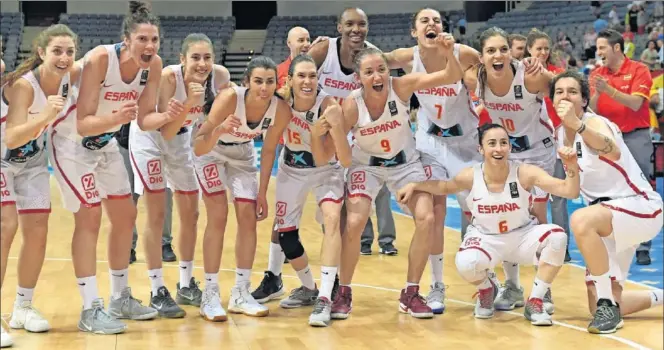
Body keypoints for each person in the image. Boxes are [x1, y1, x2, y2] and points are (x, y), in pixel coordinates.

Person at [49, 1, 162, 333]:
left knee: (126, 216)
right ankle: (90, 308)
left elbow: (145, 119)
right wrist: (114, 118)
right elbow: (83, 123)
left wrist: (175, 114)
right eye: (143, 39)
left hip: (106, 144)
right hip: (72, 144)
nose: (150, 46)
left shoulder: (152, 66)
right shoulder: (101, 59)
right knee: (90, 216)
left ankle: (119, 297)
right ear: (127, 39)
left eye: (155, 40)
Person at [332, 38, 463, 320]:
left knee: (427, 218)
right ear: (359, 78)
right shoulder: (352, 105)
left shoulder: (401, 87)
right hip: (365, 166)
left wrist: (448, 53)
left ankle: (411, 292)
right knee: (354, 222)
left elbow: (451, 75)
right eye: (369, 72)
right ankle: (343, 290)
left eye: (381, 68)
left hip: (405, 164)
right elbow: (340, 148)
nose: (377, 76)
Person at [397, 123, 579, 326]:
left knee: (558, 237)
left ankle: (535, 300)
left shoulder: (525, 173)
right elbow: (444, 186)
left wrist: (571, 167)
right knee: (465, 263)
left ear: (510, 147)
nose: (498, 148)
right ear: (481, 149)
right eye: (491, 143)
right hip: (487, 239)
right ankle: (486, 289)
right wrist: (414, 185)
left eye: (503, 143)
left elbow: (569, 191)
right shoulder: (471, 175)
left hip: (522, 236)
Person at [383, 7, 482, 314]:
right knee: (436, 212)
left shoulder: (463, 52)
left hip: (465, 141)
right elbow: (370, 58)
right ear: (415, 32)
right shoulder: (406, 56)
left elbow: (489, 64)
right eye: (424, 20)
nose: (431, 24)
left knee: (477, 209)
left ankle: (486, 280)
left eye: (436, 20)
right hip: (430, 142)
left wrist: (473, 79)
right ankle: (437, 285)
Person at [551, 70, 663, 334]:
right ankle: (628, 301)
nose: (565, 96)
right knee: (604, 303)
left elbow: (610, 149)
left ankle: (606, 304)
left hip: (638, 206)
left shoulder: (595, 123)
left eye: (572, 92)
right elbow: (572, 190)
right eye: (559, 92)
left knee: (580, 218)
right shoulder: (560, 134)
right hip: (605, 218)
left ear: (584, 100)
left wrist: (578, 124)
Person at [130, 32, 231, 319]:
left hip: (182, 137)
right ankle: (156, 289)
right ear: (182, 59)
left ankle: (186, 284)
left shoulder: (219, 76)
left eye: (207, 57)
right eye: (196, 58)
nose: (202, 64)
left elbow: (227, 103)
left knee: (191, 212)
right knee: (156, 213)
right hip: (151, 137)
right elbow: (165, 130)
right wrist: (188, 104)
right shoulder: (168, 79)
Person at [465, 27, 557, 314]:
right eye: (491, 50)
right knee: (507, 213)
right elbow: (455, 58)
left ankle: (544, 289)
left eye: (503, 49)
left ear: (511, 51)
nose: (498, 55)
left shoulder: (529, 74)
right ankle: (513, 286)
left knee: (538, 213)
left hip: (539, 151)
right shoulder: (475, 78)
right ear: (481, 57)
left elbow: (564, 87)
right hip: (508, 151)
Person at [193, 56, 291, 318]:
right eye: (258, 81)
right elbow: (200, 143)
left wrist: (262, 194)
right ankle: (210, 294)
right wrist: (221, 128)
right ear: (247, 81)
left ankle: (240, 292)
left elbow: (269, 150)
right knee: (218, 215)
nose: (264, 87)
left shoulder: (280, 110)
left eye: (270, 82)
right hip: (210, 152)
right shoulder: (229, 98)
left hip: (243, 156)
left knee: (248, 218)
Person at [0, 24, 79, 348]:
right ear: (41, 52)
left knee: (38, 231)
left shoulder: (69, 79)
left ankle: (22, 306)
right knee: (6, 226)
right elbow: (12, 136)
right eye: (57, 51)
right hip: (3, 161)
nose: (64, 57)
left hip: (32, 164)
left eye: (70, 52)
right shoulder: (23, 86)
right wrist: (46, 115)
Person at [267, 55, 348, 327]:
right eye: (301, 75)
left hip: (325, 169)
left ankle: (325, 297)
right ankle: (309, 288)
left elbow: (333, 158)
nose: (307, 81)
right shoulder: (279, 101)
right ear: (289, 79)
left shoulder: (329, 107)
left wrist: (315, 134)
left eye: (312, 75)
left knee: (332, 220)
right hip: (291, 168)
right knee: (285, 236)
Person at [590, 29, 655, 265]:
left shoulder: (639, 70)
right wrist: (598, 93)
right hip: (608, 140)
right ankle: (615, 242)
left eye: (602, 47)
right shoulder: (597, 74)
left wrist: (610, 90)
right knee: (611, 192)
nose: (599, 52)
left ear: (616, 48)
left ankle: (643, 247)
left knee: (640, 191)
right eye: (598, 48)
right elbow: (592, 110)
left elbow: (637, 104)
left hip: (635, 137)